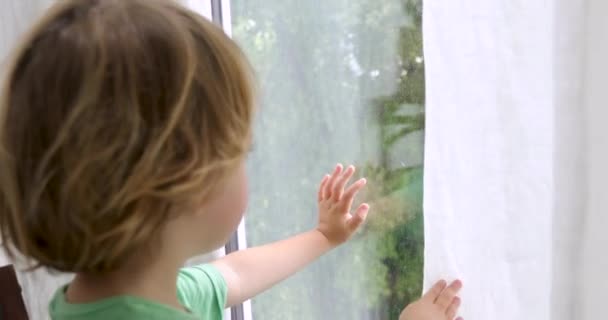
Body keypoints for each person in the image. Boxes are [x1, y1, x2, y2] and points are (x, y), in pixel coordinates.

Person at [0, 0, 462, 319]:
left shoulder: (111, 294)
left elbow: (231, 276)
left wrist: (323, 237)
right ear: (183, 185)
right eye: (241, 152)